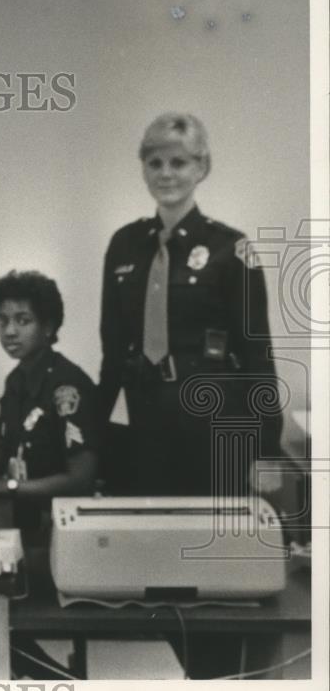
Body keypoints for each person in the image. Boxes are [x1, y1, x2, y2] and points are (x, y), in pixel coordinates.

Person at [97, 113, 283, 498]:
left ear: (202, 168)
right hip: (145, 417)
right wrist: (98, 431)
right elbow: (112, 348)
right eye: (155, 163)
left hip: (214, 419)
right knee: (155, 535)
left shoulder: (231, 248)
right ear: (144, 169)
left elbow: (257, 353)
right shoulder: (124, 245)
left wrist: (267, 449)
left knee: (212, 538)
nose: (166, 174)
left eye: (178, 162)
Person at [0, 271, 99, 533]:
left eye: (23, 321)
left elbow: (81, 479)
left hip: (59, 522)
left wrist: (7, 487)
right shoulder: (17, 379)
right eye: (3, 321)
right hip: (23, 509)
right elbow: (0, 437)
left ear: (48, 327)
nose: (9, 332)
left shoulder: (67, 388)